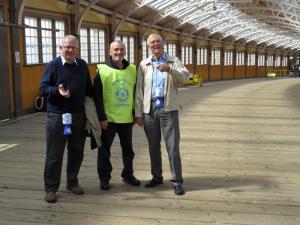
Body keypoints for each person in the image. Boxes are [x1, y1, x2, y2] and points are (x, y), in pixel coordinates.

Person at [40, 35, 93, 203]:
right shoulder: (53, 66)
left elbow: (89, 90)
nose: (70, 50)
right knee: (54, 153)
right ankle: (51, 188)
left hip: (78, 115)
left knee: (77, 151)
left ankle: (72, 182)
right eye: (67, 47)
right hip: (57, 116)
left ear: (77, 49)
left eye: (73, 47)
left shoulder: (82, 65)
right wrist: (57, 91)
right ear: (60, 48)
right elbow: (43, 88)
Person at [135, 33, 189, 195]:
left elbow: (185, 78)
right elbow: (139, 89)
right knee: (153, 146)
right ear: (148, 46)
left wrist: (170, 70)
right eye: (152, 42)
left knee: (172, 147)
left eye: (158, 41)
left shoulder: (174, 61)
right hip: (150, 110)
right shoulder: (144, 64)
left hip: (168, 109)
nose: (155, 44)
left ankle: (177, 181)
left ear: (163, 44)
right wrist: (138, 113)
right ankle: (156, 176)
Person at [93, 40, 141, 190]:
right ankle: (104, 178)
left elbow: (136, 93)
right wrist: (101, 118)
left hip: (127, 119)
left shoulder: (133, 69)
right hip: (108, 119)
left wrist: (136, 113)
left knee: (128, 150)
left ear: (125, 51)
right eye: (116, 50)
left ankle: (128, 174)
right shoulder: (102, 70)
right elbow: (97, 96)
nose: (119, 52)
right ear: (110, 52)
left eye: (121, 50)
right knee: (104, 150)